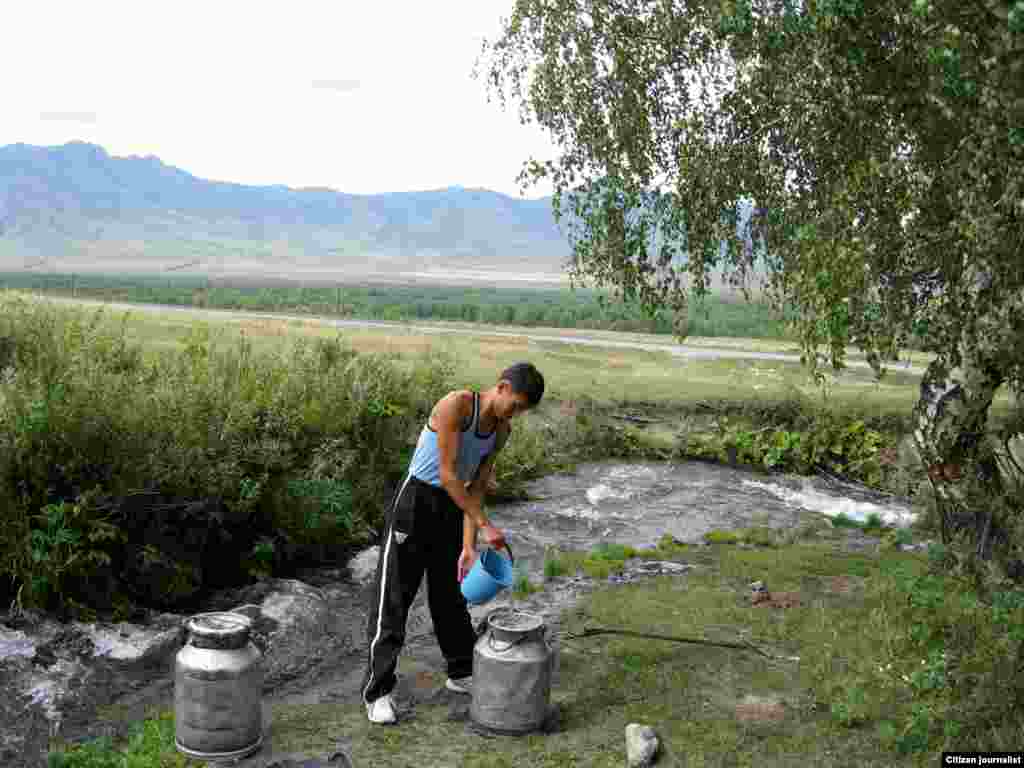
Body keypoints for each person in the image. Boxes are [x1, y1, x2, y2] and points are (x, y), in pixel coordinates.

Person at [361, 362, 546, 724]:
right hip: (416, 502)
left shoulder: (501, 432)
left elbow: (474, 488)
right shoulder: (457, 405)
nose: (516, 414)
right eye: (516, 405)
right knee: (394, 598)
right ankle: (377, 692)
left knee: (450, 596)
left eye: (523, 410)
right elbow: (447, 474)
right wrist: (485, 524)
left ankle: (460, 672)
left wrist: (469, 545)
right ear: (502, 386)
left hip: (453, 506)